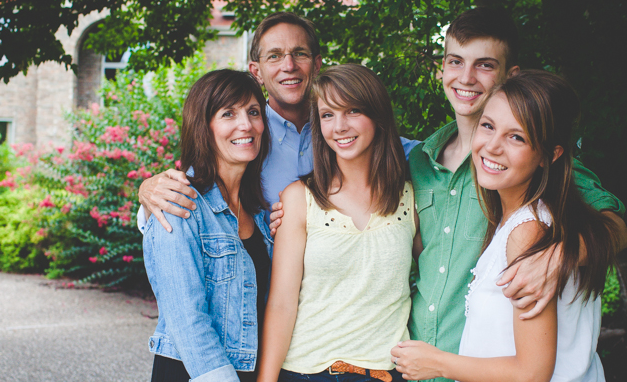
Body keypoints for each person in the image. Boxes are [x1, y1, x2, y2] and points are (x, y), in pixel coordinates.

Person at [398, 7, 627, 382]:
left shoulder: (538, 203)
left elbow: (612, 224)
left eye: (484, 64)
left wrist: (561, 253)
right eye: (455, 61)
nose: (466, 77)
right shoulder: (418, 162)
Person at [253, 64, 417, 382]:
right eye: (327, 115)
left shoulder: (411, 195)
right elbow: (281, 304)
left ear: (377, 116)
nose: (339, 126)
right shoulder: (298, 198)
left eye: (353, 111)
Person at [139, 70, 287, 382]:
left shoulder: (260, 214)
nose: (246, 124)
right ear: (203, 126)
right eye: (228, 114)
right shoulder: (177, 202)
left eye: (254, 112)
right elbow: (187, 320)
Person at [136, 12, 418, 232]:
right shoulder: (244, 137)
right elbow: (194, 187)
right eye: (275, 56)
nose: (289, 66)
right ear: (256, 72)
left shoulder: (343, 131)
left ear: (317, 64)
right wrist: (147, 194)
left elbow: (420, 154)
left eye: (300, 54)